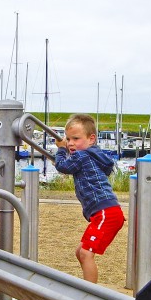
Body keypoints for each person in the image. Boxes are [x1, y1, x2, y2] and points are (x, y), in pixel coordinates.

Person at [54, 114, 124, 283]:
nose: (70, 143)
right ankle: (87, 285)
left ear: (91, 139)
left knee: (86, 254)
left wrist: (61, 149)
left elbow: (62, 166)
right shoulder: (94, 155)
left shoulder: (82, 156)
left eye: (76, 139)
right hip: (106, 211)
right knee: (80, 251)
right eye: (68, 139)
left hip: (105, 212)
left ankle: (90, 293)